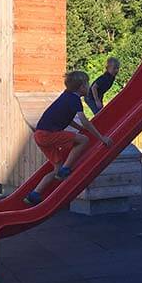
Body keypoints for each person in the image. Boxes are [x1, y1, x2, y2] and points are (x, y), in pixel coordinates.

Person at [25, 71, 112, 205]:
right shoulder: (74, 100)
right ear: (82, 87)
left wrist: (79, 129)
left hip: (39, 135)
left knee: (56, 168)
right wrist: (102, 138)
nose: (88, 86)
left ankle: (34, 194)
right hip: (47, 135)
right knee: (84, 140)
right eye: (87, 84)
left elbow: (68, 118)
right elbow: (85, 121)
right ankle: (65, 169)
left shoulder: (66, 96)